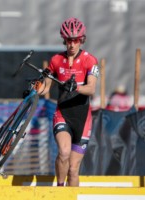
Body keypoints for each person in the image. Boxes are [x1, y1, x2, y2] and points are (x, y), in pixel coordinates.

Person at [37, 17, 99, 186]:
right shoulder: (56, 60)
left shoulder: (90, 60)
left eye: (76, 41)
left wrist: (76, 87)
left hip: (82, 119)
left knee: (73, 169)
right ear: (64, 40)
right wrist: (38, 85)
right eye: (69, 41)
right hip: (62, 114)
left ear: (82, 40)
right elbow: (45, 89)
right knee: (64, 152)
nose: (72, 45)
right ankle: (60, 189)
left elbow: (91, 88)